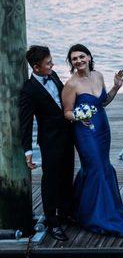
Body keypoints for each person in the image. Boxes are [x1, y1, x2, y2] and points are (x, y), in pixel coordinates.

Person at [62, 44, 123, 236]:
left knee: (103, 166)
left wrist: (117, 86)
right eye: (74, 59)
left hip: (102, 127)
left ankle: (83, 208)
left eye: (82, 56)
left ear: (89, 57)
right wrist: (79, 116)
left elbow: (103, 102)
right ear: (71, 63)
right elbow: (66, 113)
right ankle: (98, 216)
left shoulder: (98, 75)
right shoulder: (71, 84)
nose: (79, 61)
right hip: (84, 131)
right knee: (96, 169)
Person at [19, 46, 74, 241]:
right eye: (48, 63)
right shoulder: (29, 89)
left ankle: (65, 213)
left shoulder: (54, 75)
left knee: (67, 174)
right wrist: (28, 151)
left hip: (68, 136)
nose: (52, 65)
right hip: (50, 141)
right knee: (50, 181)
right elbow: (25, 123)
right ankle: (52, 221)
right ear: (36, 67)